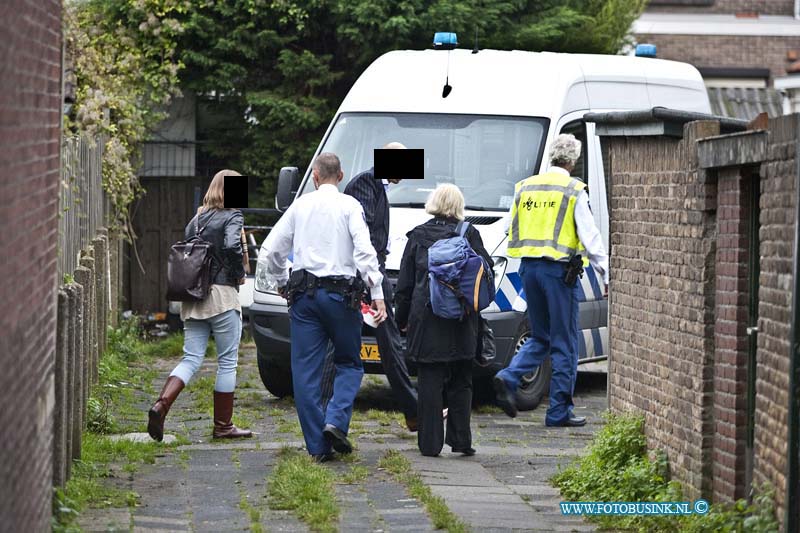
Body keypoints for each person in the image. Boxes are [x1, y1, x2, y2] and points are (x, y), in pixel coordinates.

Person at [261, 152, 387, 462]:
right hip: (341, 298)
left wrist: (279, 280)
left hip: (304, 298)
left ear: (315, 177)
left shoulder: (300, 206)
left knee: (304, 373)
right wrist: (377, 292)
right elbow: (364, 251)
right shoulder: (350, 206)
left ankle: (318, 446)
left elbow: (270, 251)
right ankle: (336, 420)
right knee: (349, 363)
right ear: (340, 176)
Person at [493, 134, 609, 427]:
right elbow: (591, 237)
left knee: (540, 336)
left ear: (552, 158)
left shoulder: (525, 187)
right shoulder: (573, 190)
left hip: (528, 272)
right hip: (558, 275)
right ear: (572, 160)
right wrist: (606, 273)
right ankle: (558, 412)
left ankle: (509, 375)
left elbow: (508, 228)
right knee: (565, 342)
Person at [148, 169, 252, 442]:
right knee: (227, 362)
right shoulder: (233, 215)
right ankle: (223, 426)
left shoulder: (196, 220)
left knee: (191, 358)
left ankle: (161, 405)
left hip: (194, 299)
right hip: (221, 296)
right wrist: (237, 272)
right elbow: (231, 246)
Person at [395, 183, 493, 457]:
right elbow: (483, 278)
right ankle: (461, 441)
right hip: (462, 320)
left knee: (429, 382)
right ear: (459, 206)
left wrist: (401, 319)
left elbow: (404, 286)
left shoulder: (418, 236)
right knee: (462, 380)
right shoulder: (470, 234)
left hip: (427, 320)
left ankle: (429, 444)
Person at [339, 141, 419, 431]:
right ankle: (413, 410)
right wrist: (374, 278)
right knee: (389, 341)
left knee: (387, 342)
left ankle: (413, 410)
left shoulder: (376, 185)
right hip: (368, 273)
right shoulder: (365, 184)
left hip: (372, 270)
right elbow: (364, 234)